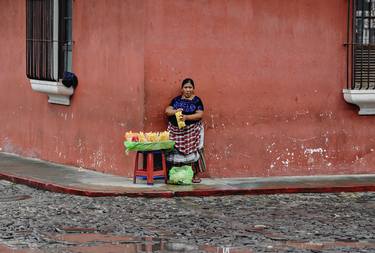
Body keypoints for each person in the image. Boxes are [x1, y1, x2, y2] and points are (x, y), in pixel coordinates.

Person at [165, 78, 206, 183]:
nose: (188, 90)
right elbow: (167, 110)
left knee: (195, 150)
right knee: (173, 151)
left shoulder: (197, 100)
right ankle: (174, 174)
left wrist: (187, 118)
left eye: (190, 87)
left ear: (193, 89)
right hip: (176, 131)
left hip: (192, 131)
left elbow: (200, 114)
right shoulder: (176, 100)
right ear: (182, 89)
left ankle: (195, 174)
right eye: (186, 87)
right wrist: (175, 111)